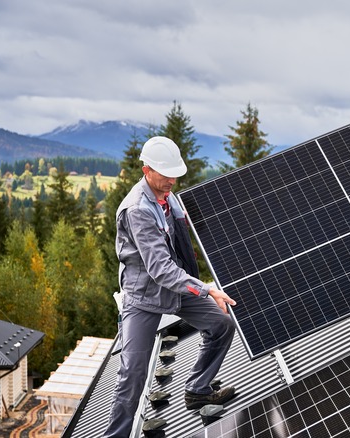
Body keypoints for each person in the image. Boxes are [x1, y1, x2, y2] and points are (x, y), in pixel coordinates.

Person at [104, 136, 237, 437]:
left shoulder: (169, 198)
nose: (171, 181)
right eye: (165, 175)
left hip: (175, 289)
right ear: (146, 170)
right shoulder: (137, 210)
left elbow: (183, 238)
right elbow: (161, 269)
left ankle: (198, 389)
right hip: (144, 298)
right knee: (133, 375)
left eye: (174, 174)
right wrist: (207, 289)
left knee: (221, 323)